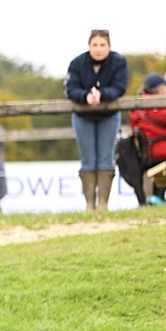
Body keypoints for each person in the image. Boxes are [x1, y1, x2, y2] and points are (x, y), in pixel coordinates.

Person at [65, 29, 128, 211]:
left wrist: (102, 95)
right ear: (89, 46)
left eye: (102, 45)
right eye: (95, 45)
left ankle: (103, 205)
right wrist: (86, 97)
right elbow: (71, 89)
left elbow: (120, 87)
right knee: (88, 159)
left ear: (109, 46)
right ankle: (89, 205)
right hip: (83, 116)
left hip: (109, 115)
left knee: (106, 159)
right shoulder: (77, 63)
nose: (98, 49)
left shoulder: (118, 62)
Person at [128, 73, 166, 205]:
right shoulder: (154, 107)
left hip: (149, 148)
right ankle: (160, 197)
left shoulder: (139, 106)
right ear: (159, 90)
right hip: (159, 148)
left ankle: (158, 197)